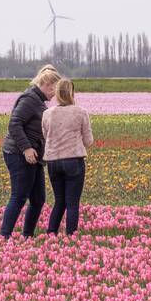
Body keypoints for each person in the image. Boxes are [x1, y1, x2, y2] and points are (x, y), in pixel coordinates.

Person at [0, 65, 61, 238]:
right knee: (19, 196)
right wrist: (26, 148)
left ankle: (27, 236)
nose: (54, 94)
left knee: (38, 199)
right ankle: (3, 237)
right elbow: (14, 123)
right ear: (47, 84)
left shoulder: (37, 100)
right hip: (18, 154)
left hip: (34, 157)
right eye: (53, 89)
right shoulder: (29, 99)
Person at [41, 78, 94, 235]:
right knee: (72, 203)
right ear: (72, 93)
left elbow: (45, 136)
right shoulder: (80, 112)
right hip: (73, 161)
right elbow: (88, 141)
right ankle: (71, 236)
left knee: (59, 201)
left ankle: (51, 233)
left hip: (53, 162)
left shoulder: (47, 114)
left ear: (57, 93)